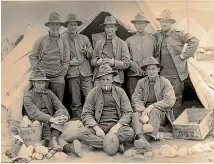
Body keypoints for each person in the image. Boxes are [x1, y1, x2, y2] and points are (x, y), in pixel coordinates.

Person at [72, 64, 134, 155]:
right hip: (99, 125)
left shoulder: (120, 92)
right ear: (99, 80)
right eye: (102, 79)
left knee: (130, 132)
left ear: (112, 79)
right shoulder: (93, 93)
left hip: (116, 126)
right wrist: (96, 128)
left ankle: (99, 144)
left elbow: (128, 112)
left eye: (108, 79)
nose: (105, 82)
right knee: (81, 133)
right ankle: (115, 144)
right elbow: (86, 114)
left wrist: (116, 127)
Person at [23, 70, 83, 157]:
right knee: (53, 135)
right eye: (38, 83)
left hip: (54, 123)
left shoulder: (49, 93)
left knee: (61, 112)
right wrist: (52, 119)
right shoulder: (28, 96)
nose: (41, 85)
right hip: (39, 123)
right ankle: (69, 148)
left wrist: (64, 116)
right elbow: (35, 113)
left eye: (43, 82)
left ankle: (54, 140)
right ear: (33, 83)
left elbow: (60, 106)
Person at [153, 9, 199, 118]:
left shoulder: (179, 34)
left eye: (167, 22)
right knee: (163, 97)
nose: (164, 24)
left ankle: (174, 120)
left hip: (177, 74)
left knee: (176, 97)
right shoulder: (157, 35)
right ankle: (165, 120)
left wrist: (184, 55)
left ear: (171, 23)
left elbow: (194, 40)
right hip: (162, 73)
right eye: (162, 22)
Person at [132, 57, 176, 151]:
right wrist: (143, 109)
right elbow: (136, 99)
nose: (151, 72)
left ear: (158, 70)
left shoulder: (165, 82)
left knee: (154, 111)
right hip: (144, 112)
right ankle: (142, 138)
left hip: (160, 114)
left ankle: (148, 138)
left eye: (154, 69)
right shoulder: (141, 82)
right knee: (136, 114)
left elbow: (170, 100)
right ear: (145, 71)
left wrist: (152, 106)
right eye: (148, 69)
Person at [29, 12, 70, 102]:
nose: (55, 27)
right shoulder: (40, 40)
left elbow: (67, 58)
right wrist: (38, 71)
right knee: (41, 100)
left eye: (57, 24)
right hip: (43, 74)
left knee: (58, 101)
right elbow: (32, 56)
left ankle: (59, 115)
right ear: (49, 26)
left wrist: (64, 70)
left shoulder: (64, 41)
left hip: (58, 74)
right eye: (52, 24)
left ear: (60, 26)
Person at [63, 14, 94, 119]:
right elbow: (59, 58)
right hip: (72, 74)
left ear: (77, 26)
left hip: (86, 73)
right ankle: (79, 121)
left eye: (75, 24)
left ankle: (91, 119)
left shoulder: (84, 38)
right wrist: (69, 62)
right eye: (70, 24)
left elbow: (92, 53)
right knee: (75, 101)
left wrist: (86, 52)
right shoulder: (62, 40)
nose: (73, 27)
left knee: (90, 97)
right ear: (67, 26)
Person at [91, 16, 130, 87]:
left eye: (112, 27)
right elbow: (92, 61)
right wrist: (97, 62)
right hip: (99, 78)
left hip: (115, 79)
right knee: (98, 97)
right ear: (104, 29)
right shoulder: (98, 43)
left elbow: (126, 63)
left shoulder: (122, 43)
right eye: (107, 27)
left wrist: (113, 63)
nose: (109, 29)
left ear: (116, 28)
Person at [126, 13, 156, 100]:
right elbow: (125, 58)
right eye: (138, 23)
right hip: (134, 74)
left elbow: (156, 55)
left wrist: (151, 68)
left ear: (146, 25)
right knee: (135, 96)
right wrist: (133, 65)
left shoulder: (153, 39)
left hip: (149, 73)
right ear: (134, 25)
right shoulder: (129, 40)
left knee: (150, 97)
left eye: (142, 23)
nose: (140, 26)